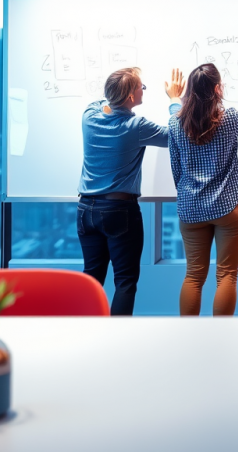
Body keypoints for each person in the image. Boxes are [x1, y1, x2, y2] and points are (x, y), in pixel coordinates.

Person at [78, 66, 185, 316]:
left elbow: (105, 101)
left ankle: (81, 337)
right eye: (140, 87)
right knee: (125, 282)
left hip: (85, 210)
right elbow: (176, 135)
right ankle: (116, 344)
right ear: (129, 97)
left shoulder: (89, 115)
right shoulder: (135, 126)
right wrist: (174, 100)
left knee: (91, 278)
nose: (142, 90)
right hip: (119, 211)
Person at [169, 62, 238, 316]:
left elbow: (176, 171)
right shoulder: (229, 118)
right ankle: (221, 341)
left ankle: (189, 340)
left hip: (191, 211)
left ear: (189, 90)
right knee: (227, 276)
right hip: (229, 207)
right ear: (216, 88)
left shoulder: (175, 123)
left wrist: (189, 196)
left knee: (193, 276)